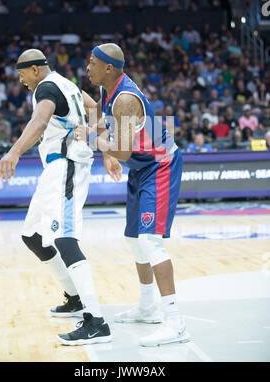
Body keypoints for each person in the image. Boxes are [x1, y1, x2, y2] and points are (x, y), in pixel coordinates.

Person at [0, 48, 120, 346]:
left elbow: (39, 122)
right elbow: (96, 111)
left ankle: (96, 321)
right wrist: (104, 149)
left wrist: (13, 152)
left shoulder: (47, 87)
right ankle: (76, 299)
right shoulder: (68, 85)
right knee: (34, 237)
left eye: (22, 73)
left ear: (36, 69)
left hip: (66, 166)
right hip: (55, 168)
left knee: (65, 239)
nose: (21, 79)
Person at [74, 43, 189, 347]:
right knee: (134, 239)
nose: (88, 68)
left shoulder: (125, 99)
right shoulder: (107, 89)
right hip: (142, 166)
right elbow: (101, 117)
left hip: (159, 165)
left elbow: (122, 150)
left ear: (108, 68)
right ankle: (148, 307)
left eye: (92, 63)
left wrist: (91, 137)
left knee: (151, 241)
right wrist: (106, 152)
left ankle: (176, 323)